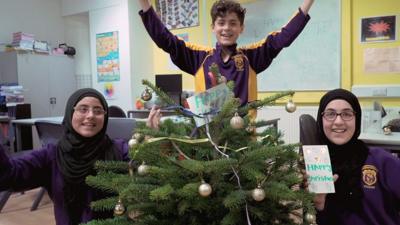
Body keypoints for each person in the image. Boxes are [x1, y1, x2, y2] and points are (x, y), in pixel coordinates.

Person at [138, 0, 314, 106]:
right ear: (213, 27)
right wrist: (145, 4)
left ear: (241, 28)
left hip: (246, 147)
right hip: (209, 144)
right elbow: (165, 40)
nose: (226, 28)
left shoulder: (251, 57)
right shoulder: (199, 57)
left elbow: (283, 37)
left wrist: (308, 3)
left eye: (233, 23)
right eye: (221, 23)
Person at [0, 88, 129, 225]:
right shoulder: (53, 155)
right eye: (83, 109)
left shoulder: (119, 150)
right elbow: (9, 175)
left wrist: (154, 138)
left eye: (98, 111)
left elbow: (145, 172)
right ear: (70, 113)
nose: (91, 115)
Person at [311, 88, 400, 225]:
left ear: (357, 119)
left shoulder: (382, 161)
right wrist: (319, 205)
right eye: (330, 114)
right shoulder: (315, 165)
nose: (339, 121)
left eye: (347, 114)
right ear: (320, 119)